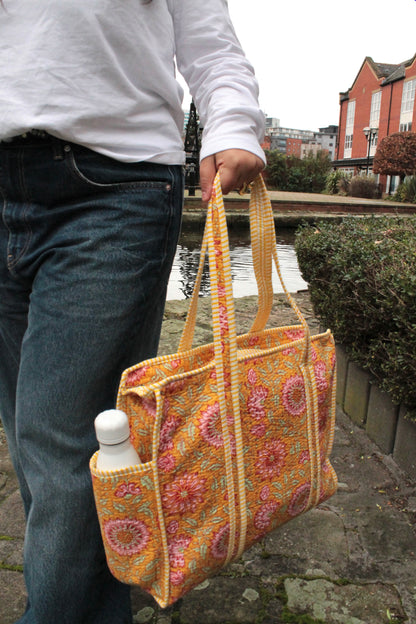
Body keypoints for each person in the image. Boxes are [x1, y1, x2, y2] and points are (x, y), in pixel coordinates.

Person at [0, 1, 265, 622]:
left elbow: (211, 42)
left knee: (71, 449)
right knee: (31, 437)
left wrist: (232, 122)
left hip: (112, 183)